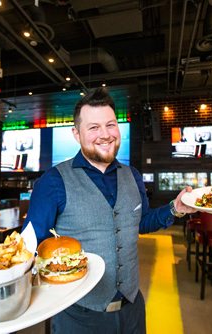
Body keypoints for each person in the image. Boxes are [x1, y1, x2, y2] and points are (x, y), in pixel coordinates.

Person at [23, 87, 195, 334]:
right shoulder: (53, 181)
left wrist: (175, 209)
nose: (105, 135)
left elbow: (141, 222)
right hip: (79, 315)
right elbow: (29, 246)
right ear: (76, 133)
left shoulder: (133, 176)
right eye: (93, 127)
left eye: (111, 125)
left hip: (133, 308)